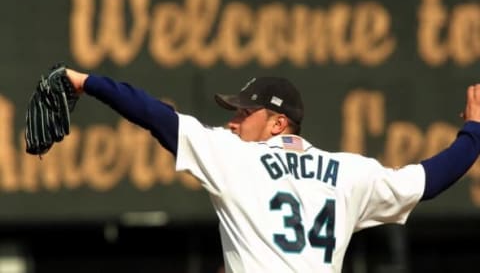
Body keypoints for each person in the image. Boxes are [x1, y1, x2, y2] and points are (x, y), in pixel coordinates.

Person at [65, 68, 480, 273]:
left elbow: (152, 114)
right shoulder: (350, 173)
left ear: (278, 123)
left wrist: (85, 81)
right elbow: (430, 180)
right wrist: (474, 132)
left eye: (244, 113)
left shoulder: (234, 156)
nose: (233, 121)